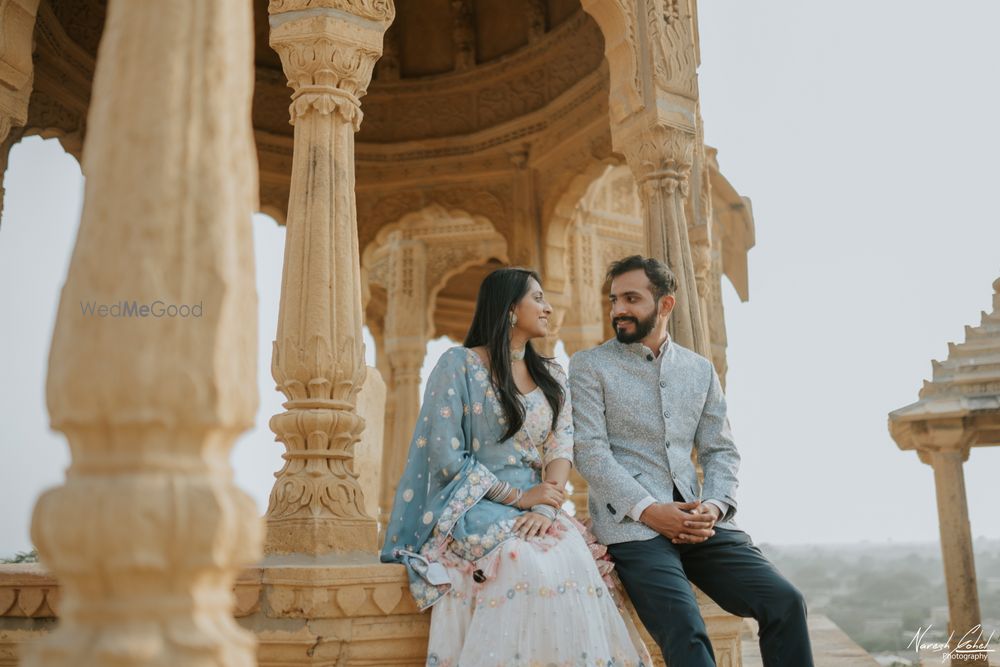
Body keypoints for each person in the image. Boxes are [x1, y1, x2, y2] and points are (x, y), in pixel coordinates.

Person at [381, 267, 650, 667]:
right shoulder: (459, 366)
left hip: (540, 506)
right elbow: (444, 454)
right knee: (518, 560)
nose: (548, 307)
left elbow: (562, 443)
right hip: (475, 503)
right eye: (538, 298)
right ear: (510, 309)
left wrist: (544, 505)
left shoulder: (553, 375)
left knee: (571, 554)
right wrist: (519, 498)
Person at [569, 255, 814, 667]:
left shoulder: (699, 370)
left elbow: (721, 450)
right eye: (614, 300)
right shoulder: (590, 366)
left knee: (786, 602)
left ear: (665, 305)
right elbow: (590, 452)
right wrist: (649, 510)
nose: (619, 310)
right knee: (685, 628)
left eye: (631, 298)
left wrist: (714, 508)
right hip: (632, 528)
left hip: (699, 523)